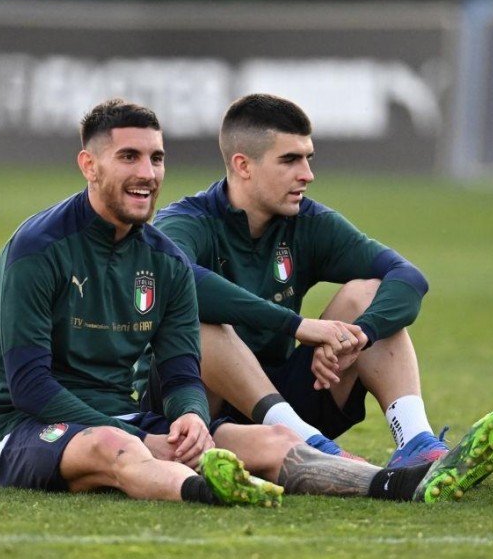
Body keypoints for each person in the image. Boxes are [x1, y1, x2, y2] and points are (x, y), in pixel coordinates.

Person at [0, 98, 493, 507]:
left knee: (272, 441)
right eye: (129, 157)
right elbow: (29, 387)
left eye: (157, 158)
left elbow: (183, 370)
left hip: (143, 416)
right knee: (114, 449)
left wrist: (186, 418)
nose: (148, 172)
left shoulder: (160, 256)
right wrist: (148, 434)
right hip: (32, 427)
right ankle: (210, 490)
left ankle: (401, 480)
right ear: (89, 166)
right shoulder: (39, 250)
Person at [141, 93, 447, 467]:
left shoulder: (307, 221)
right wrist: (298, 326)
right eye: (289, 160)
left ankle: (417, 443)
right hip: (195, 410)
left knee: (366, 294)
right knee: (202, 324)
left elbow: (407, 277)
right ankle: (307, 444)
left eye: (308, 158)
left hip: (288, 400)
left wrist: (359, 336)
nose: (307, 174)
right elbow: (177, 281)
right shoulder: (187, 221)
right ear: (243, 165)